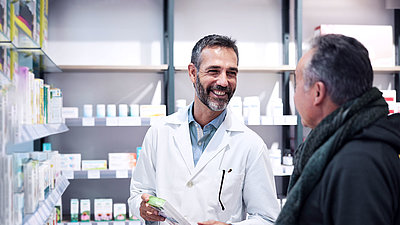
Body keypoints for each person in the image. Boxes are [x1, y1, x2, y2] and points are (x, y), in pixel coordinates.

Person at [128, 34, 280, 225]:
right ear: (193, 73)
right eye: (214, 71)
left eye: (231, 73)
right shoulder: (160, 132)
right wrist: (143, 208)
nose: (224, 82)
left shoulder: (251, 145)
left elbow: (267, 218)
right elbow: (138, 194)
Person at [275, 34, 400, 225]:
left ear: (318, 92)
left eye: (297, 84)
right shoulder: (339, 147)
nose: (294, 95)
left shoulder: (357, 162)